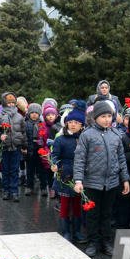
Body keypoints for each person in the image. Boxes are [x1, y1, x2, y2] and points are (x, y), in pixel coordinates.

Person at [74, 100, 130, 257]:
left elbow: (121, 159)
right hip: (92, 182)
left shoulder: (116, 135)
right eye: (103, 116)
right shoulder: (87, 135)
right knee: (92, 214)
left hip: (111, 182)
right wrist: (78, 180)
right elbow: (79, 159)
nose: (107, 119)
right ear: (95, 117)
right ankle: (92, 241)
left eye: (109, 116)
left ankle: (105, 241)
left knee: (107, 213)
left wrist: (124, 179)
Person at [51, 100, 87, 243]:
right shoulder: (61, 139)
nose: (73, 124)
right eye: (70, 121)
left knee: (77, 204)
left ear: (82, 125)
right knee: (65, 204)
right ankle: (66, 232)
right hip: (64, 174)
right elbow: (55, 155)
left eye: (76, 122)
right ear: (66, 123)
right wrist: (55, 164)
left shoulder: (84, 139)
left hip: (79, 175)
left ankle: (77, 232)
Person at [0, 92, 28, 202]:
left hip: (16, 148)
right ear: (4, 103)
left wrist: (24, 146)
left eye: (13, 102)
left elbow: (23, 132)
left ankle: (15, 191)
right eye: (9, 103)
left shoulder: (19, 117)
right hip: (5, 148)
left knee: (14, 170)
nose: (11, 104)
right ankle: (6, 191)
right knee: (6, 170)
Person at [24, 103, 47, 197]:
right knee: (29, 169)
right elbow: (23, 136)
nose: (34, 114)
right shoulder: (26, 124)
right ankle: (29, 187)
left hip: (40, 148)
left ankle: (43, 188)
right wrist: (24, 147)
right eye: (32, 113)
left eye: (36, 113)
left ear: (39, 114)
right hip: (30, 147)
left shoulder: (42, 124)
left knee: (42, 169)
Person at [40, 104, 60, 199]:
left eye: (52, 114)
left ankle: (57, 189)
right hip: (47, 151)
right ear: (45, 116)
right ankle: (51, 189)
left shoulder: (59, 126)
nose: (50, 116)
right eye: (48, 115)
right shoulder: (43, 127)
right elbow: (42, 141)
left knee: (57, 171)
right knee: (49, 172)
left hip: (57, 150)